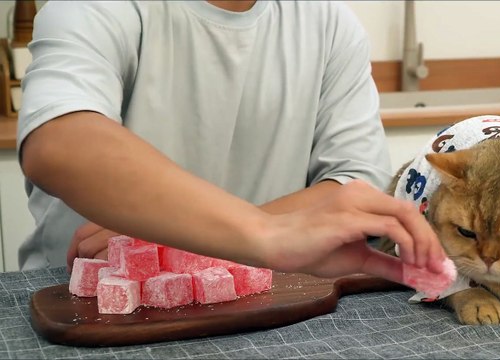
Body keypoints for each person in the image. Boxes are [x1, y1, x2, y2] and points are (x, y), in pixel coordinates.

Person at [16, 0, 448, 282]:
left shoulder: (330, 21)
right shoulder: (98, 7)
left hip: (263, 298)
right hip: (83, 300)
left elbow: (355, 185)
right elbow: (60, 139)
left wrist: (182, 244)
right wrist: (262, 233)